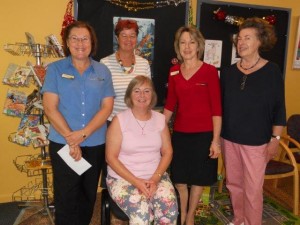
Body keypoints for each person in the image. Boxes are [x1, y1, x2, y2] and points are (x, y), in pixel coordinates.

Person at [41, 21, 115, 225]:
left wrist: (83, 134)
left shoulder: (102, 71)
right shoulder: (55, 69)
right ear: (67, 42)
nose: (80, 43)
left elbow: (106, 107)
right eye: (75, 38)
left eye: (85, 39)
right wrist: (72, 140)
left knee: (87, 194)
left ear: (92, 42)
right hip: (63, 143)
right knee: (66, 194)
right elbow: (50, 107)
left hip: (95, 143)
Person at [220, 17, 286, 225]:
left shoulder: (272, 71)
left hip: (256, 142)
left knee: (253, 189)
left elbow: (279, 109)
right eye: (239, 38)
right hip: (229, 138)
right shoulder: (229, 72)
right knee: (233, 184)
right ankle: (239, 219)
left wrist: (275, 138)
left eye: (247, 38)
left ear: (260, 41)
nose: (241, 42)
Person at [163, 26, 222, 225]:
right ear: (178, 46)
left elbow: (216, 109)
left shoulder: (210, 71)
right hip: (180, 133)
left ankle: (189, 218)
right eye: (183, 42)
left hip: (203, 134)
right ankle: (183, 212)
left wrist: (215, 140)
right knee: (179, 179)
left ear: (199, 45)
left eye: (191, 42)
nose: (187, 47)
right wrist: (157, 130)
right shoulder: (173, 72)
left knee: (197, 179)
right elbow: (170, 104)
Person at [106, 75, 178, 225]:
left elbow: (168, 152)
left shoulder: (159, 119)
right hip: (123, 178)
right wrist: (137, 182)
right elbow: (110, 158)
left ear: (152, 95)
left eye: (147, 91)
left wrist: (155, 179)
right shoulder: (119, 121)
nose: (142, 95)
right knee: (142, 215)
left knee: (169, 209)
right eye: (137, 91)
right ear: (129, 96)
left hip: (155, 176)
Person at [100, 18, 151, 122]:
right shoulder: (105, 64)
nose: (128, 40)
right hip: (113, 122)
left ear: (137, 38)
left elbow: (148, 96)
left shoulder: (144, 64)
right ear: (117, 38)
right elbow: (101, 99)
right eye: (124, 35)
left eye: (132, 36)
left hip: (138, 122)